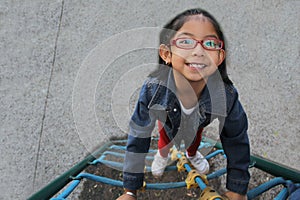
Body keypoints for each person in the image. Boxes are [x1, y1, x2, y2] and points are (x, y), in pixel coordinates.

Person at [117, 8, 250, 200]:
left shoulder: (225, 95)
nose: (198, 51)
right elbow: (139, 134)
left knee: (194, 139)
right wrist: (130, 189)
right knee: (164, 138)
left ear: (219, 58)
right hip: (168, 120)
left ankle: (191, 154)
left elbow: (236, 138)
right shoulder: (153, 90)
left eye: (210, 43)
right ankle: (162, 156)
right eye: (186, 41)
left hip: (197, 123)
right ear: (166, 54)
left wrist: (237, 188)